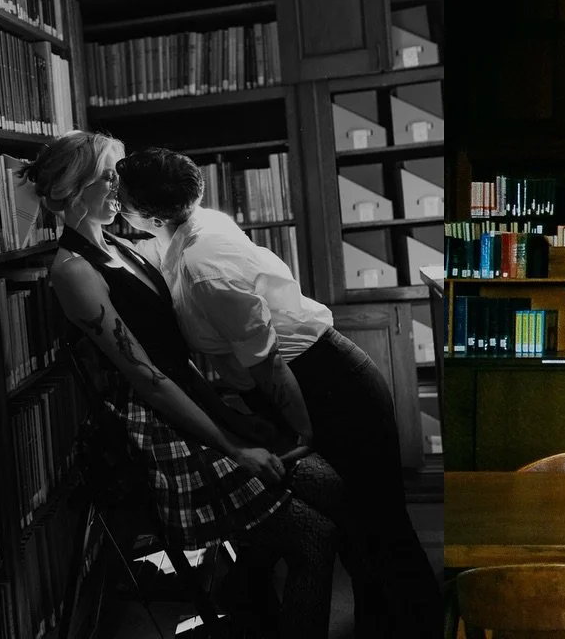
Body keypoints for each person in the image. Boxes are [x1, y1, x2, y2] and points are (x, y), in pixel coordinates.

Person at [116, 146, 441, 639]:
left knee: (378, 522)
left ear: (152, 215)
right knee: (354, 527)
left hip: (325, 384)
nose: (117, 206)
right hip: (307, 381)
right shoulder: (189, 234)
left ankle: (423, 624)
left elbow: (267, 362)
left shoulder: (204, 264)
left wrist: (301, 433)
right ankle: (383, 626)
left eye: (122, 200)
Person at [30, 132, 340, 636]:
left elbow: (175, 348)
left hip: (193, 399)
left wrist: (233, 416)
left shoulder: (121, 245)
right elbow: (147, 378)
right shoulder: (73, 270)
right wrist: (233, 446)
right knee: (314, 536)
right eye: (109, 176)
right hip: (160, 423)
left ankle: (246, 596)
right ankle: (250, 598)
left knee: (329, 488)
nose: (121, 186)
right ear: (73, 188)